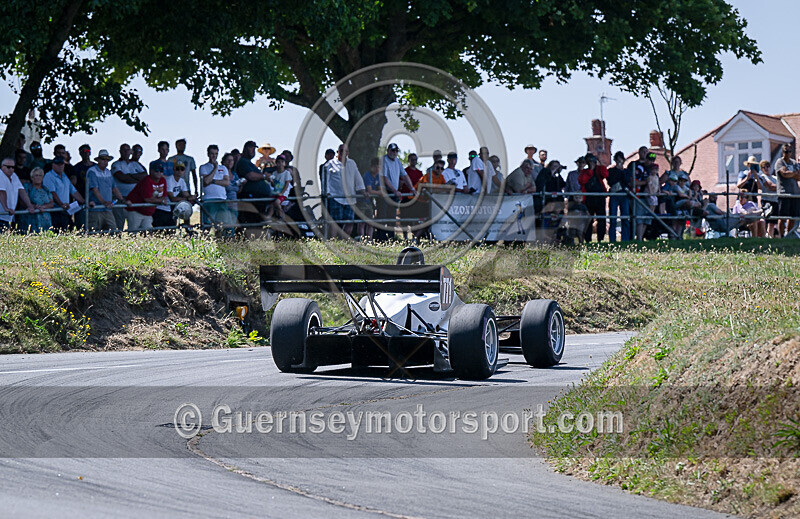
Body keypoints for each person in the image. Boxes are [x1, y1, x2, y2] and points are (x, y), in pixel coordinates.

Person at [376, 143, 414, 240]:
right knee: (383, 217)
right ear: (388, 151)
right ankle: (380, 239)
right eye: (393, 150)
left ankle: (391, 239)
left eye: (396, 151)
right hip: (385, 192)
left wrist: (412, 189)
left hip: (393, 194)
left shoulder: (397, 161)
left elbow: (405, 176)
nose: (394, 152)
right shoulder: (383, 160)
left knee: (392, 218)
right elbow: (384, 178)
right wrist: (395, 190)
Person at [111, 143, 147, 230]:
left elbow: (145, 175)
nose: (126, 152)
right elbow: (122, 177)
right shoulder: (116, 164)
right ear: (120, 151)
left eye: (128, 150)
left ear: (131, 152)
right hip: (120, 197)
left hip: (134, 197)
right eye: (124, 150)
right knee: (119, 222)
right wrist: (136, 178)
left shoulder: (135, 164)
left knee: (134, 221)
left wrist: (129, 176)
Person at [44, 156, 85, 231]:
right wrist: (61, 204)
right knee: (57, 232)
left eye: (62, 164)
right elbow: (52, 193)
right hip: (55, 211)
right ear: (53, 165)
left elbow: (73, 191)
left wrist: (84, 201)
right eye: (58, 164)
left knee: (68, 230)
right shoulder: (48, 176)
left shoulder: (65, 176)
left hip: (66, 210)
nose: (60, 166)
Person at [235, 140, 271, 223]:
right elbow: (250, 176)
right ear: (245, 149)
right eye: (250, 148)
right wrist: (264, 176)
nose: (252, 150)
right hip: (251, 198)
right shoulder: (243, 162)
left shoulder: (250, 163)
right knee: (251, 221)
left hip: (259, 198)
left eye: (254, 148)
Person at [124, 162, 168, 231]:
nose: (159, 172)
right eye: (156, 170)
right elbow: (147, 199)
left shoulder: (163, 180)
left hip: (148, 212)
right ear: (151, 171)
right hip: (135, 210)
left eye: (161, 170)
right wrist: (160, 201)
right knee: (133, 233)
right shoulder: (146, 180)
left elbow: (164, 196)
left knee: (148, 233)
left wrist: (158, 200)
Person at [87, 149, 123, 231]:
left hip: (107, 209)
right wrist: (104, 202)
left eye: (107, 159)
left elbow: (114, 188)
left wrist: (122, 199)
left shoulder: (108, 172)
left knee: (113, 230)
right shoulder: (92, 172)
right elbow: (94, 189)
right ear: (98, 160)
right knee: (94, 232)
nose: (105, 161)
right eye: (103, 159)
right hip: (95, 209)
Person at [155, 161, 196, 228]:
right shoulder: (169, 180)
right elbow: (172, 198)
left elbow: (186, 194)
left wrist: (192, 197)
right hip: (161, 208)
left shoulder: (182, 181)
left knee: (171, 230)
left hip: (170, 209)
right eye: (177, 169)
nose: (179, 171)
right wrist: (187, 199)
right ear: (173, 170)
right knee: (161, 231)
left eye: (182, 169)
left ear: (184, 171)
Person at [578, 153, 608, 242]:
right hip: (588, 198)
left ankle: (600, 239)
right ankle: (588, 239)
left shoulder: (599, 169)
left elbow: (605, 174)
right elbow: (582, 181)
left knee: (601, 219)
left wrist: (600, 162)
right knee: (588, 219)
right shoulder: (584, 171)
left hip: (600, 197)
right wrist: (590, 170)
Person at [0, 158, 36, 231]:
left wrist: (29, 206)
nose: (11, 169)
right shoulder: (0, 175)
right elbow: (1, 192)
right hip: (1, 215)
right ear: (2, 166)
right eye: (8, 167)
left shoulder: (14, 176)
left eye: (13, 167)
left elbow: (22, 191)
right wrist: (6, 208)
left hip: (9, 216)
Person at [774, 144, 800, 236]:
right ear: (782, 152)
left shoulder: (793, 163)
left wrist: (792, 173)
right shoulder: (779, 162)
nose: (788, 153)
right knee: (783, 217)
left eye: (789, 151)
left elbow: (799, 176)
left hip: (795, 193)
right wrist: (794, 173)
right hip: (784, 193)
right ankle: (781, 236)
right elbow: (784, 174)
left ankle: (788, 235)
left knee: (793, 216)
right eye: (785, 151)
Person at [606, 151, 632, 241]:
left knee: (625, 218)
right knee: (613, 218)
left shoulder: (626, 172)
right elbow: (611, 181)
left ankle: (625, 239)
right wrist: (618, 170)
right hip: (614, 195)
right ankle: (612, 239)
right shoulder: (611, 171)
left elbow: (627, 181)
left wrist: (621, 171)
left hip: (624, 195)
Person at [266, 155, 293, 220]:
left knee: (277, 202)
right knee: (272, 205)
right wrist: (270, 181)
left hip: (283, 194)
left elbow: (287, 184)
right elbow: (273, 185)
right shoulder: (274, 173)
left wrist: (282, 193)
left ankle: (281, 216)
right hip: (276, 193)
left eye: (282, 161)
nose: (280, 163)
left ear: (285, 163)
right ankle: (268, 217)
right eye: (278, 162)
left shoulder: (287, 173)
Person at [361, 157, 381, 240]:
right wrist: (378, 193)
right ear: (371, 167)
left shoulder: (378, 176)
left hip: (369, 201)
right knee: (361, 222)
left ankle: (369, 240)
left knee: (370, 222)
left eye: (378, 167)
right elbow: (370, 190)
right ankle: (361, 239)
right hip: (361, 201)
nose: (377, 169)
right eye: (375, 167)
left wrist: (378, 192)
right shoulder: (367, 175)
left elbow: (380, 189)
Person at [757, 160, 779, 237]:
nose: (766, 168)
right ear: (761, 169)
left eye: (767, 166)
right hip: (767, 201)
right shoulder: (762, 177)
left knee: (773, 222)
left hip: (775, 201)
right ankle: (766, 237)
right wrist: (781, 188)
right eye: (763, 167)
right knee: (767, 220)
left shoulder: (775, 178)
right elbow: (770, 186)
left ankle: (771, 237)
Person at [221, 153, 240, 223]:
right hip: (225, 202)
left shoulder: (234, 174)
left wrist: (240, 185)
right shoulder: (221, 173)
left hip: (234, 202)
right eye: (228, 160)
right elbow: (227, 188)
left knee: (233, 222)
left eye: (231, 160)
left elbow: (238, 189)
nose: (230, 162)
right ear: (223, 161)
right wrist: (235, 186)